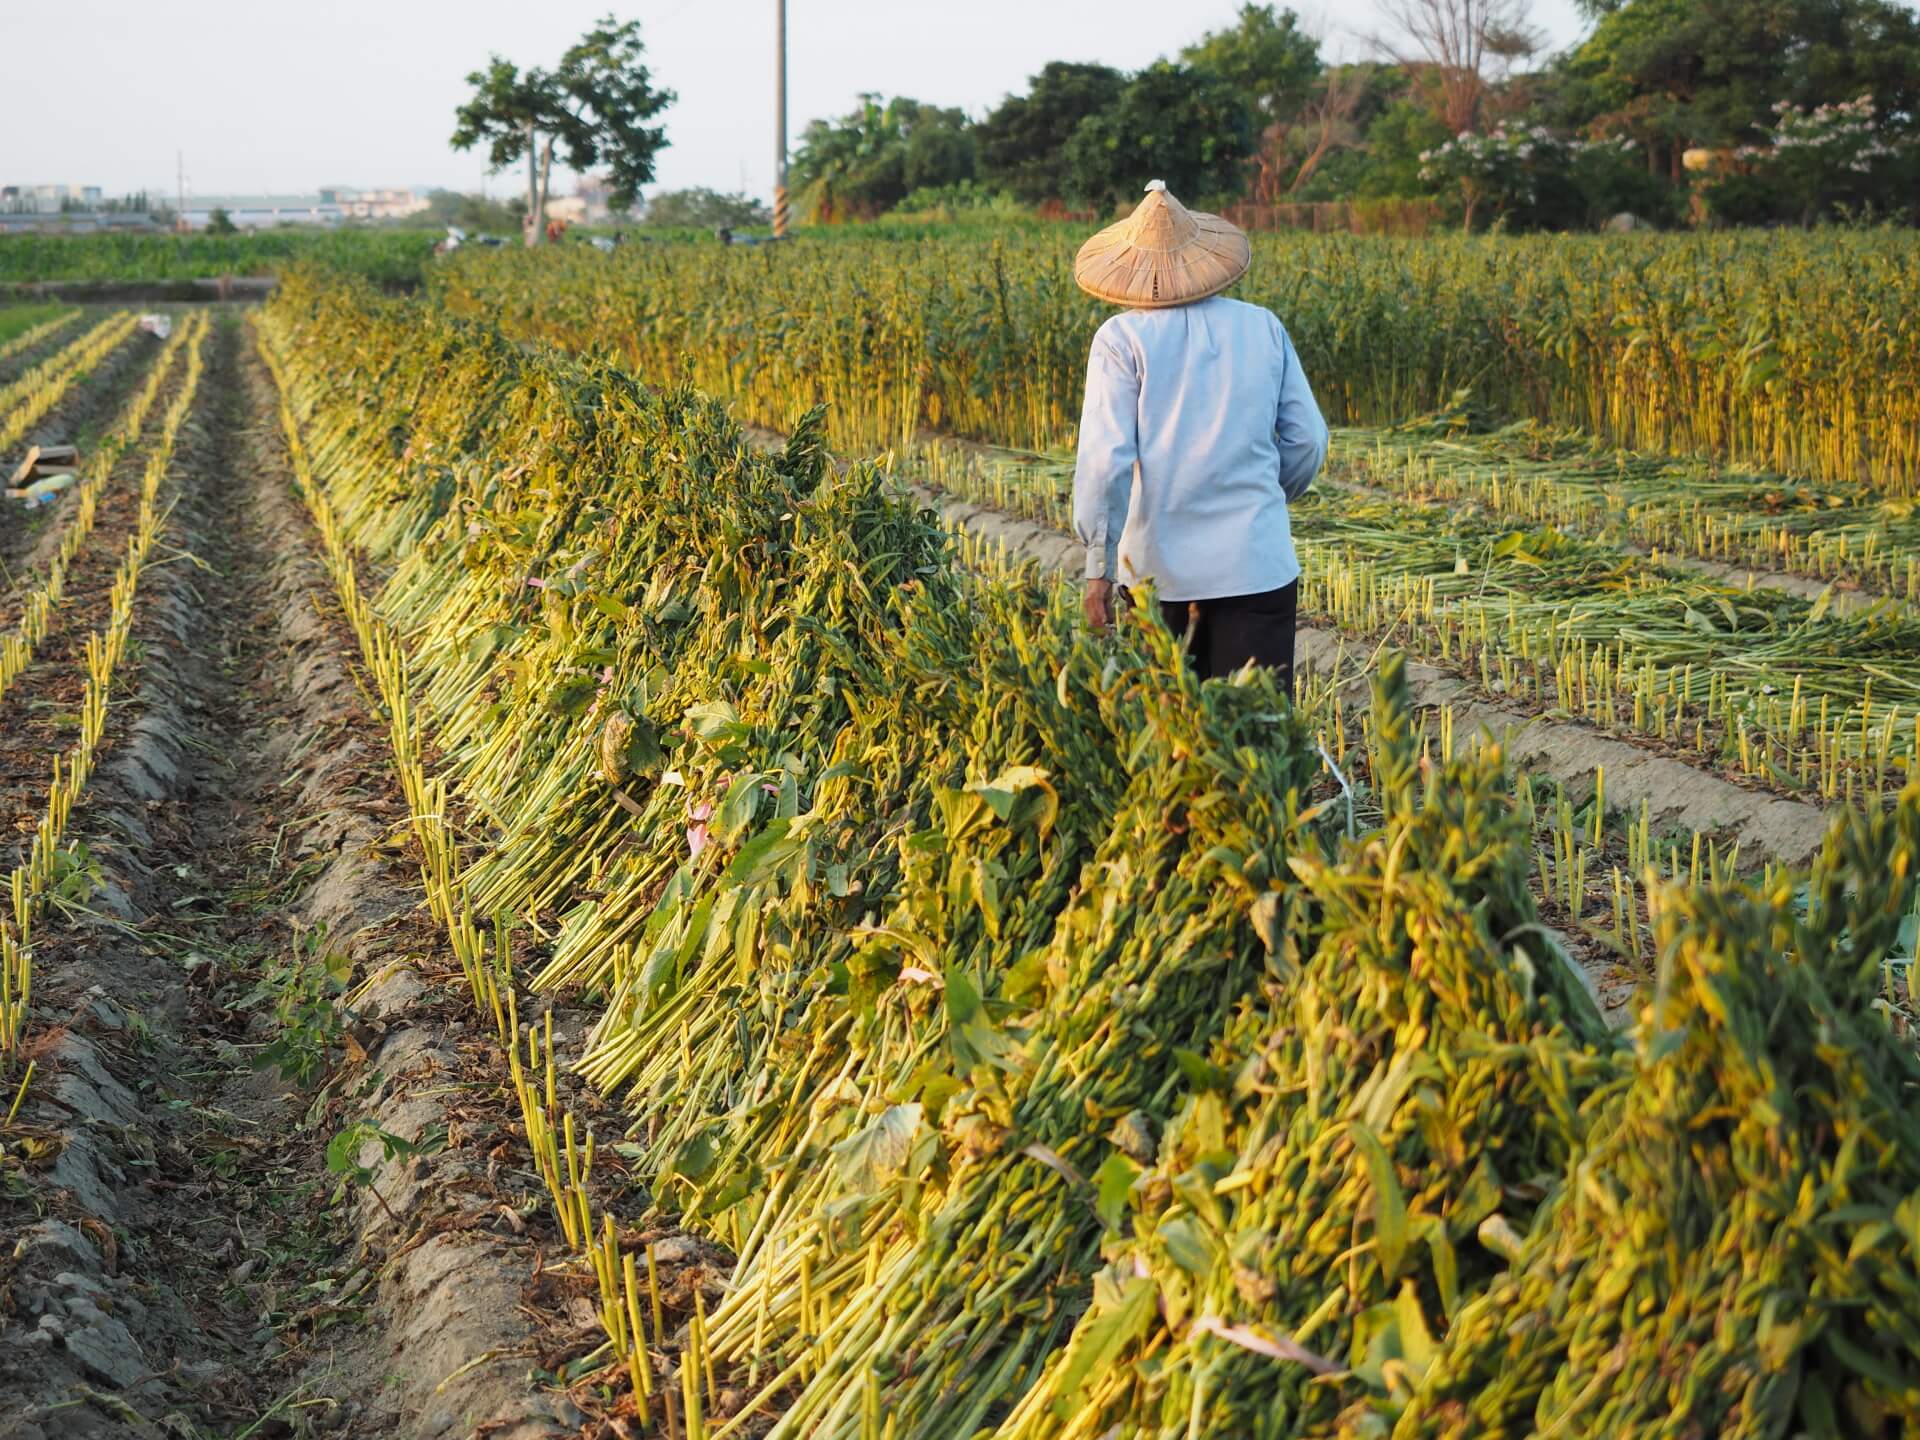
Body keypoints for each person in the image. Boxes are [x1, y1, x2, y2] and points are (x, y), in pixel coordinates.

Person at [1071, 181, 1328, 693]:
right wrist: (1261, 499)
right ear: (1202, 260)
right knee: (1256, 740)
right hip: (1257, 566)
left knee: (1170, 747)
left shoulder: (1121, 340)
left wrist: (1097, 567)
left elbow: (1107, 465)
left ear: (1134, 271)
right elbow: (1307, 441)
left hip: (1156, 578)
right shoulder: (1263, 327)